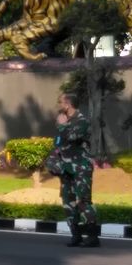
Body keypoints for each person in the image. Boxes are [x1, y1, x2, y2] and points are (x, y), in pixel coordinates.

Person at [45, 92, 100, 247]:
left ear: (68, 104)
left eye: (60, 102)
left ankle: (92, 237)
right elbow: (59, 143)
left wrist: (62, 125)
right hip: (65, 168)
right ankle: (75, 235)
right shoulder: (64, 120)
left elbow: (72, 137)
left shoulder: (82, 121)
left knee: (83, 201)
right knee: (67, 201)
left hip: (81, 167)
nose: (58, 105)